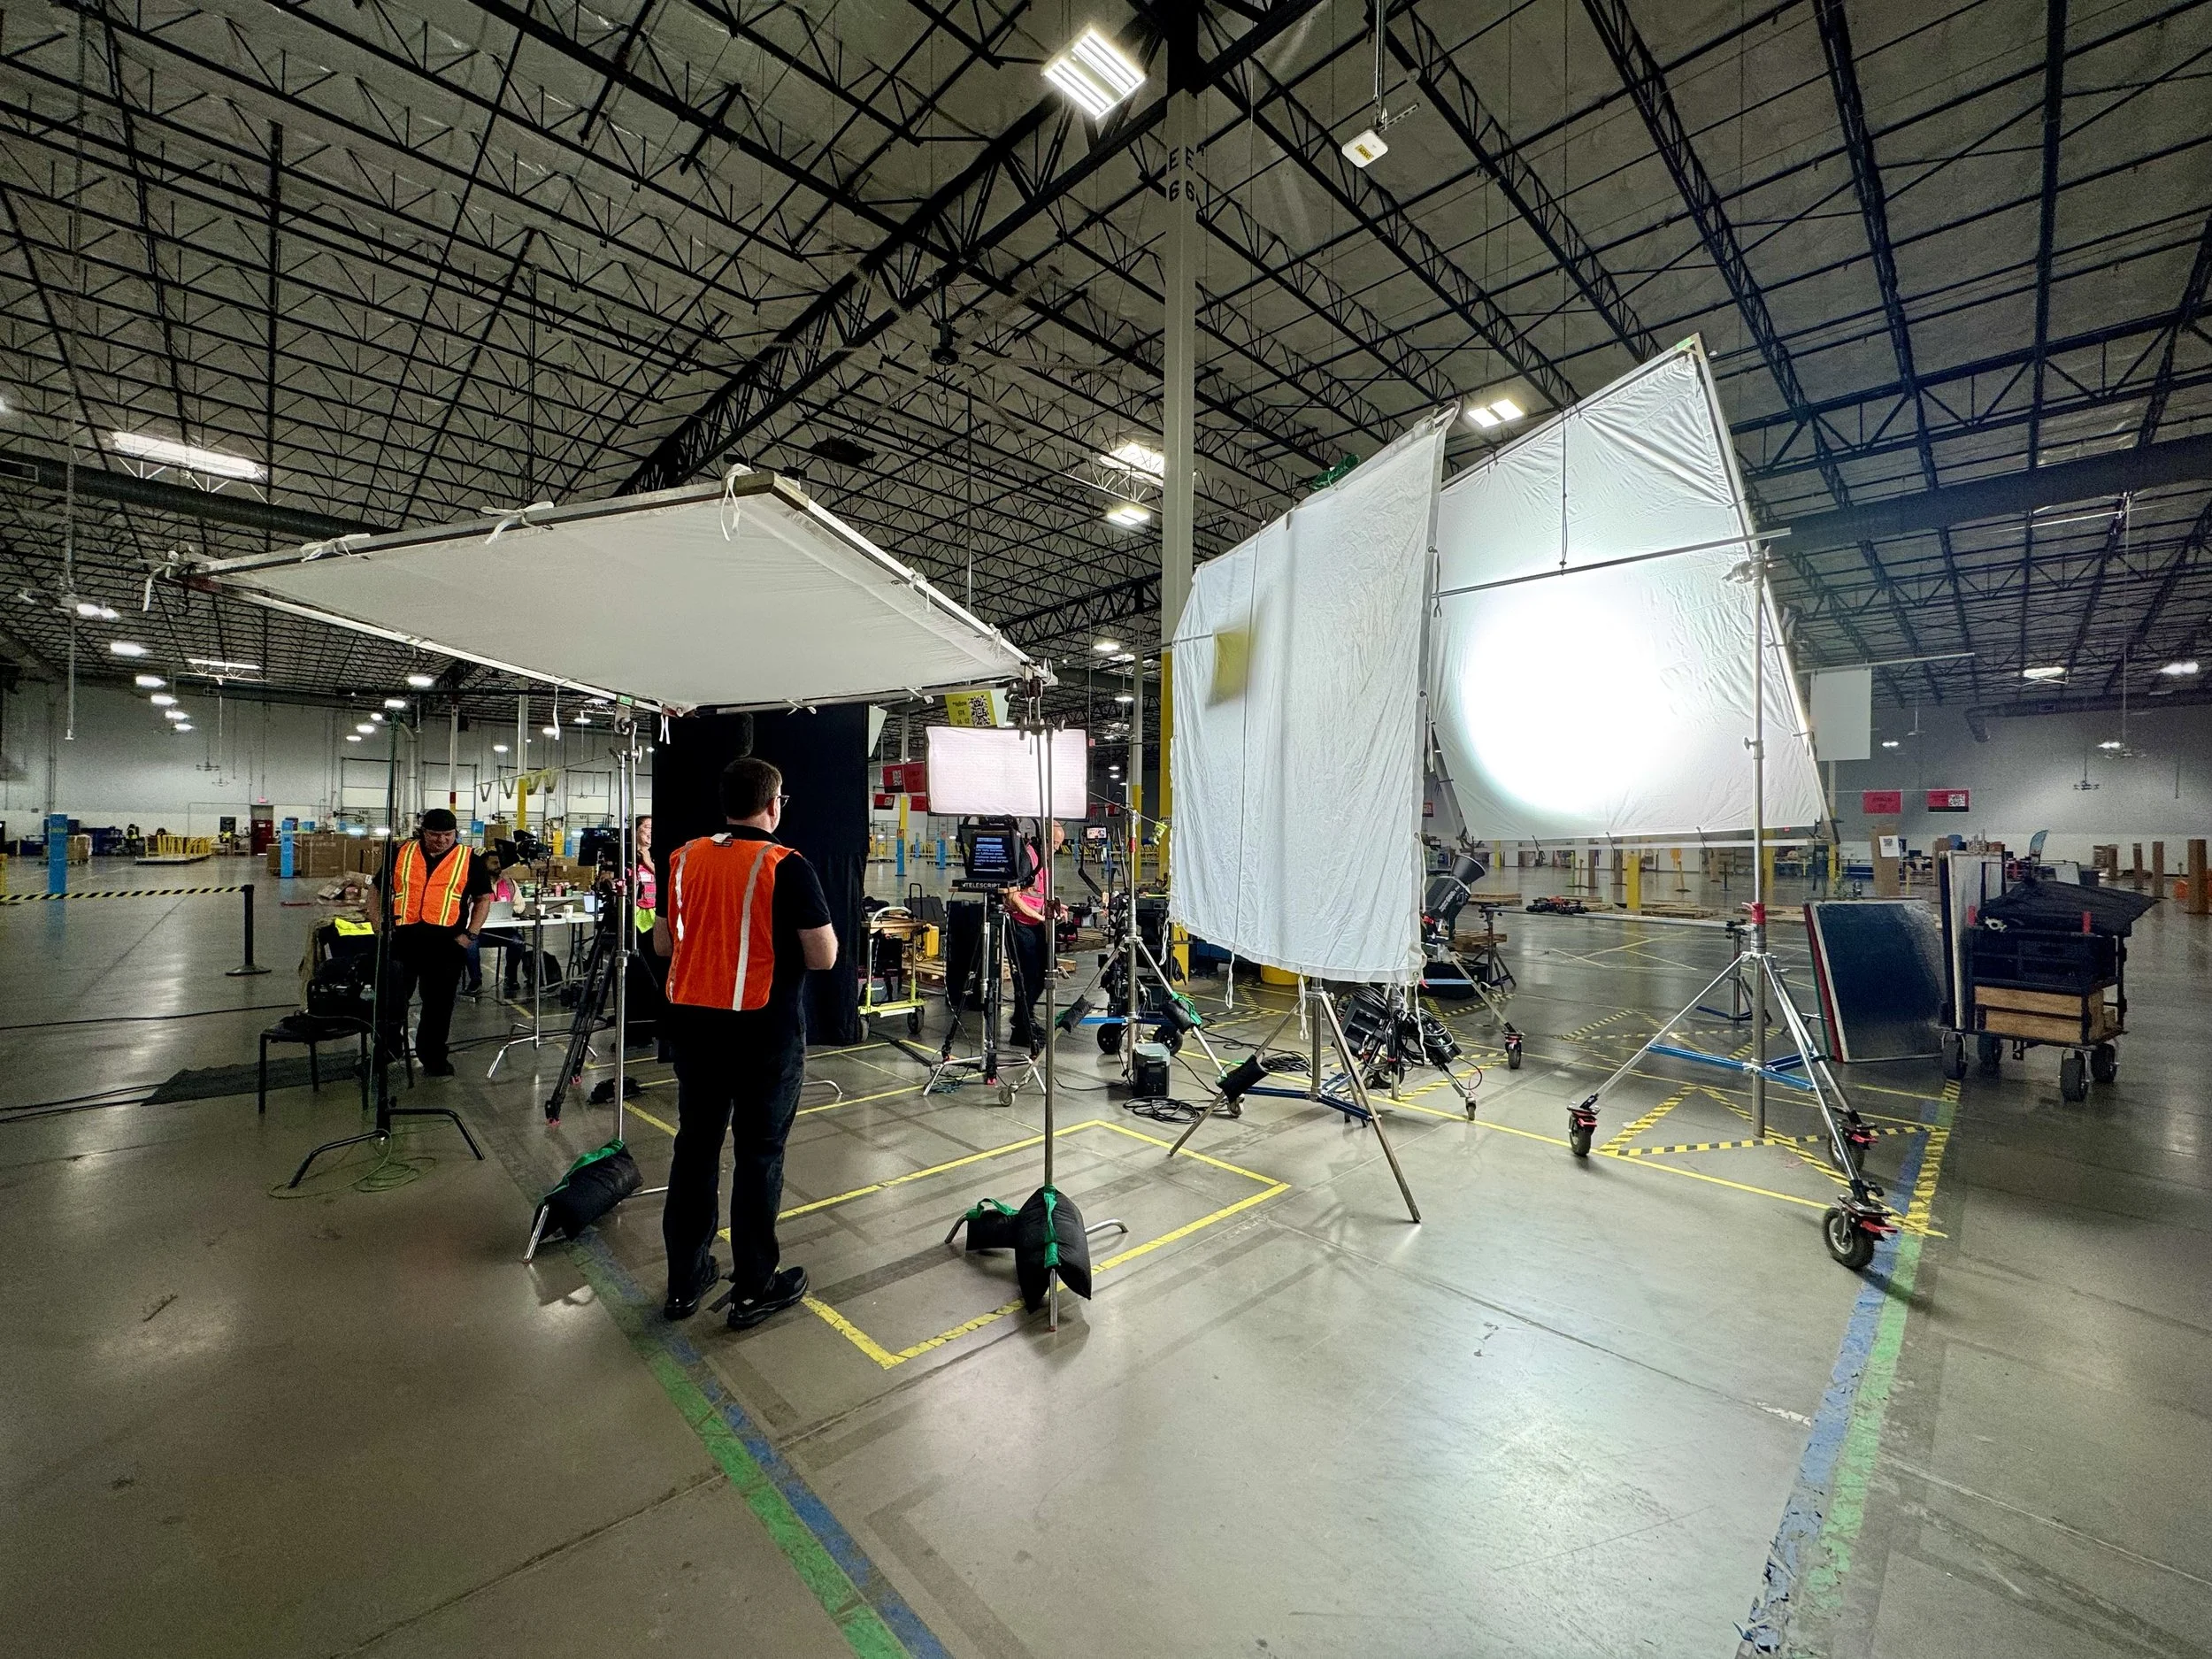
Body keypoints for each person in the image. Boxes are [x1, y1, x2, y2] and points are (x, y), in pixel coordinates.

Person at [654, 758, 838, 1328]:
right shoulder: (786, 864)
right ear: (774, 803)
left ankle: (684, 1279)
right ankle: (755, 1284)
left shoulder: (683, 859)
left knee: (695, 1148)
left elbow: (663, 944)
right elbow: (823, 955)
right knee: (759, 1155)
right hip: (765, 1035)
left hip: (695, 1030)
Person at [374, 808, 494, 1076]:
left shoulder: (469, 860)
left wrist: (470, 935)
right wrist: (378, 927)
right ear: (423, 832)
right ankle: (386, 1051)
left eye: (447, 835)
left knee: (438, 1007)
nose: (441, 840)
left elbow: (484, 898)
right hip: (403, 942)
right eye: (434, 834)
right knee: (390, 1001)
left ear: (455, 834)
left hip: (446, 946)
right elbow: (377, 888)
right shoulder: (402, 853)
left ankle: (433, 1056)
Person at [1003, 818, 1066, 1056]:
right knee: (1028, 978)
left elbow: (1038, 894)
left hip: (1036, 923)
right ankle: (1021, 1027)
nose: (1058, 849)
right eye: (1055, 843)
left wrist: (1055, 908)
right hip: (1021, 924)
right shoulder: (1028, 857)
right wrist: (1039, 917)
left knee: (1041, 976)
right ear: (1044, 839)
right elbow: (1013, 897)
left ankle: (1024, 1021)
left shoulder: (1044, 861)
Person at [465, 852, 521, 996]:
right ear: (483, 865)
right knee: (470, 943)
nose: (499, 866)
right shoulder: (472, 883)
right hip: (479, 931)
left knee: (518, 941)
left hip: (502, 931)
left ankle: (511, 978)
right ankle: (475, 980)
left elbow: (520, 906)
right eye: (494, 863)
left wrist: (509, 909)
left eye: (500, 862)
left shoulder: (510, 883)